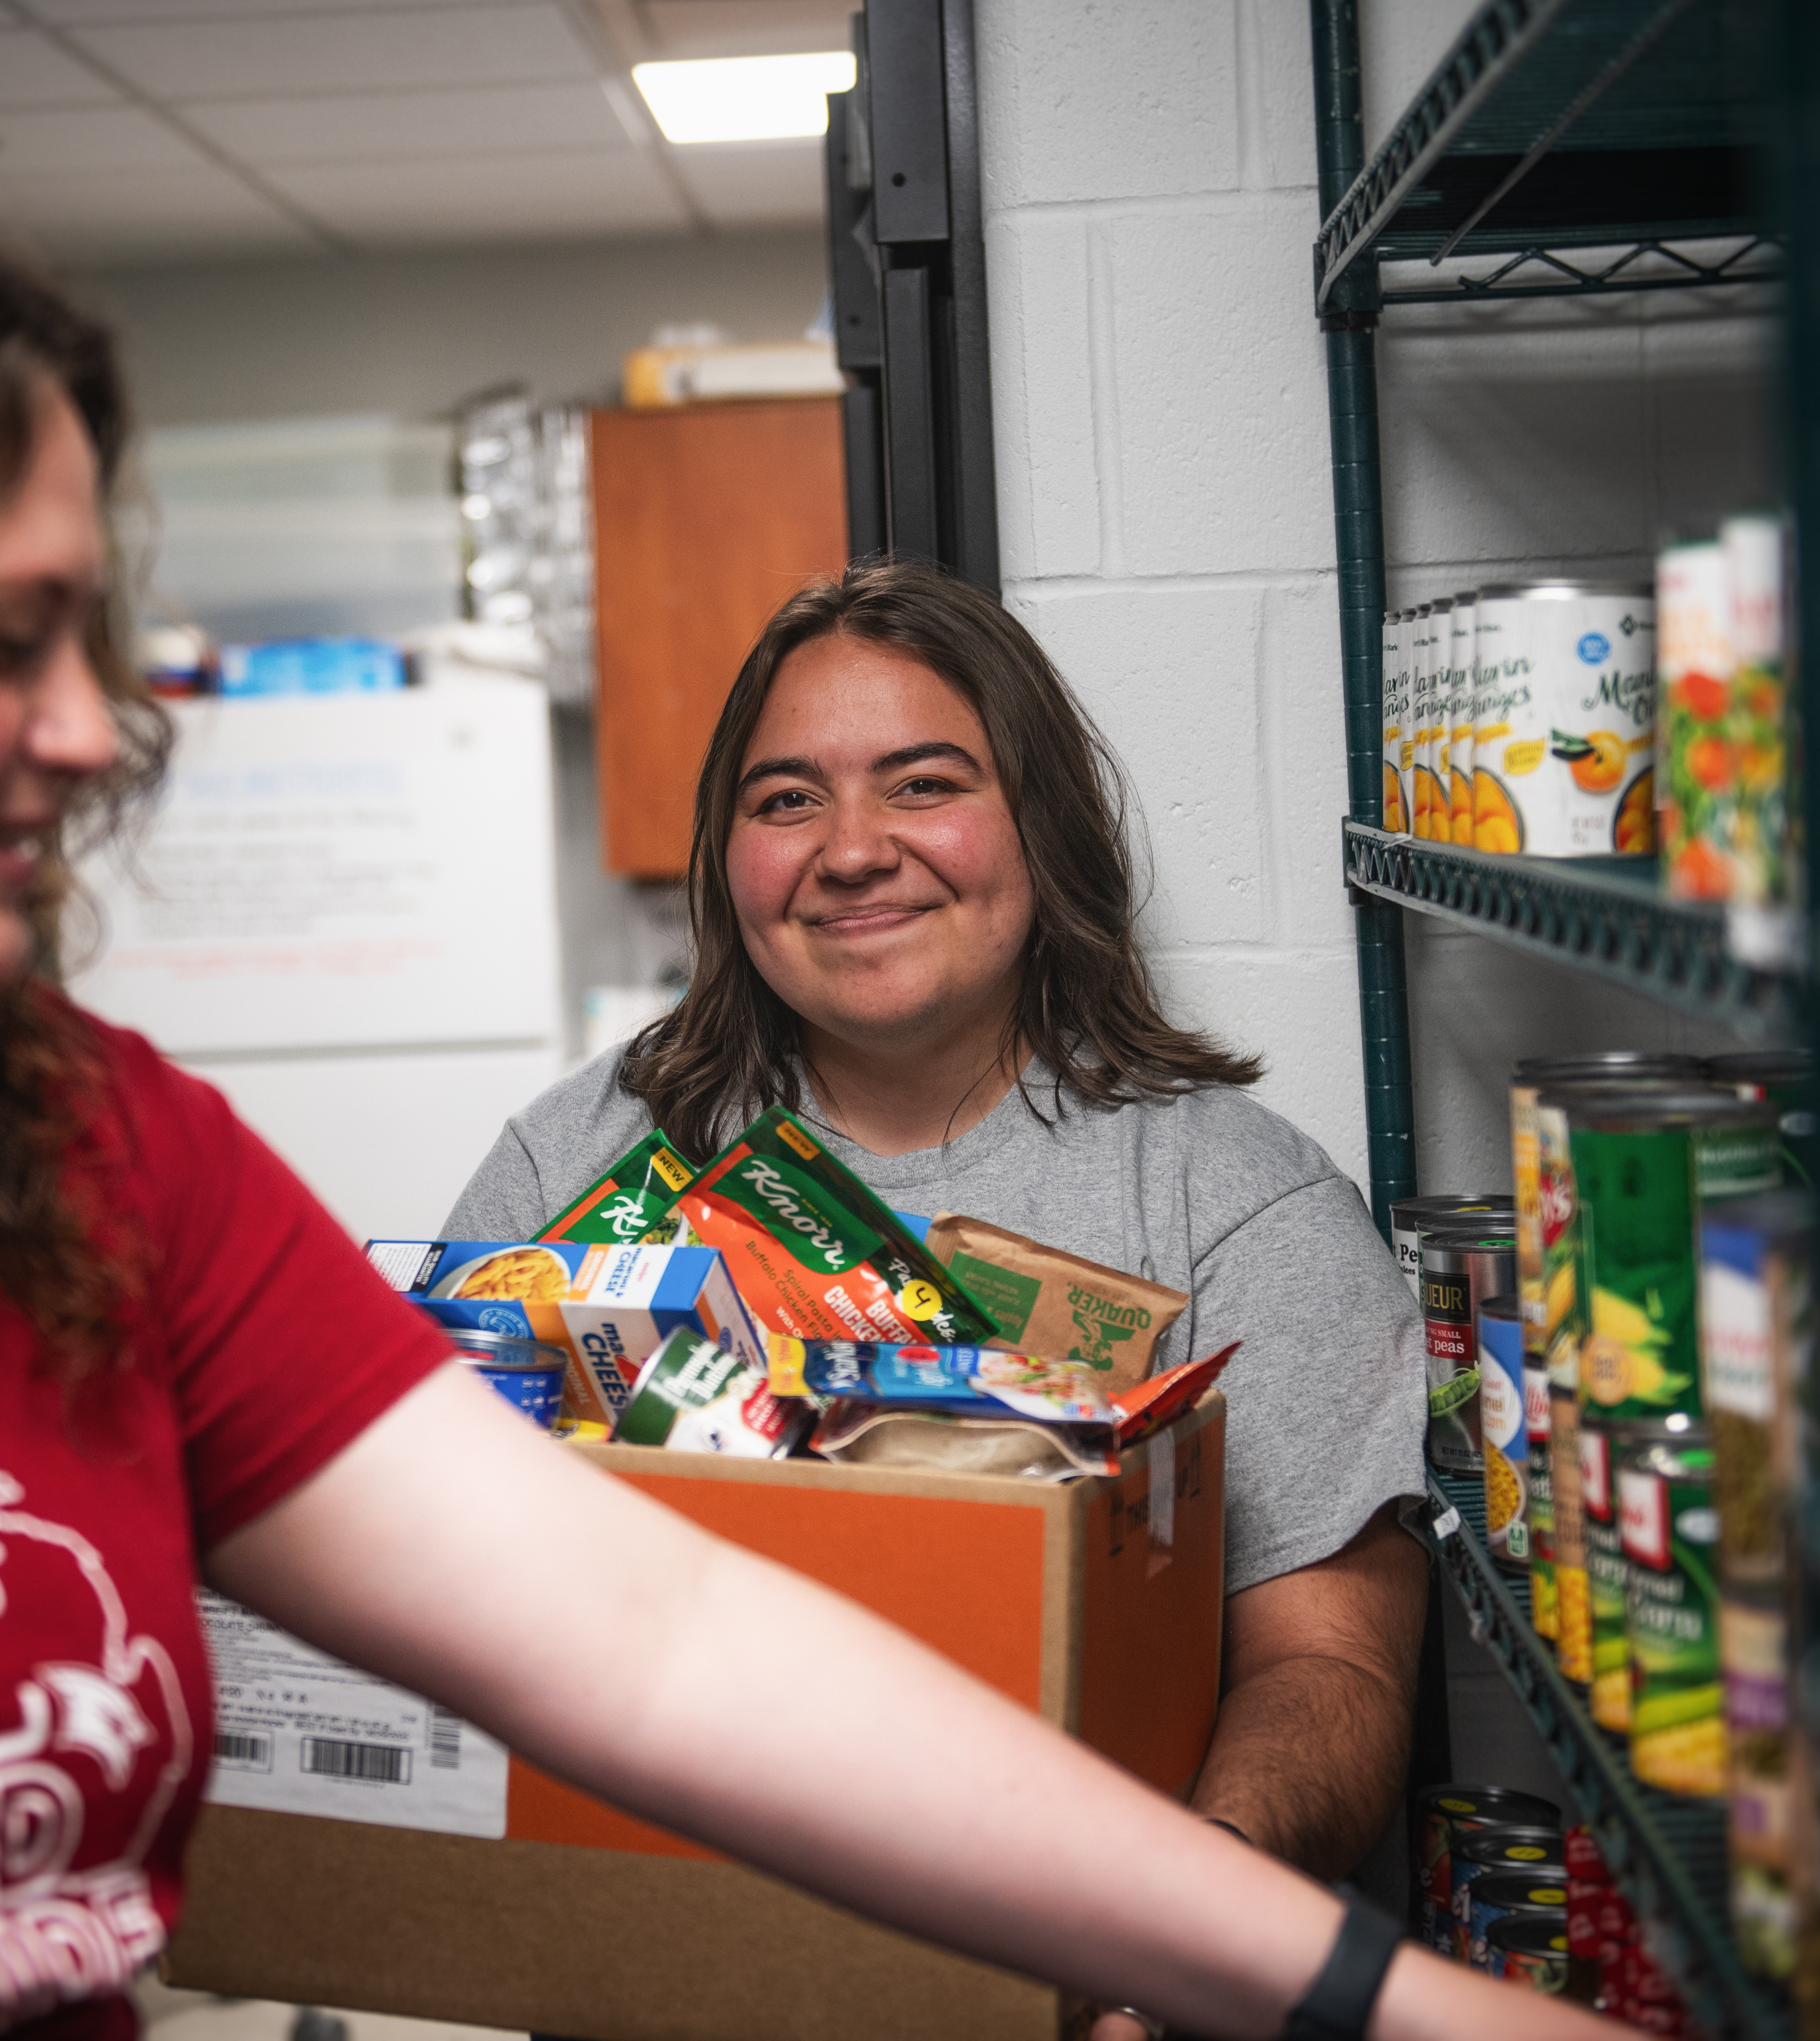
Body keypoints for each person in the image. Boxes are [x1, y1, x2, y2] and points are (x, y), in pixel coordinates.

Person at [0, 173, 1605, 2041]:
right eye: (9, 644)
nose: (108, 731)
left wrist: (1374, 2000)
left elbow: (647, 1636)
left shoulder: (84, 1150)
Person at [445, 565, 1432, 1925]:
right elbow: (433, 1578)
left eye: (924, 784)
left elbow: (1336, 1673)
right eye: (787, 800)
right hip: (652, 1957)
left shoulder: (1233, 1205)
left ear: (1043, 825)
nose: (850, 849)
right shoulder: (570, 1173)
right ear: (726, 861)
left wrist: (1189, 1917)